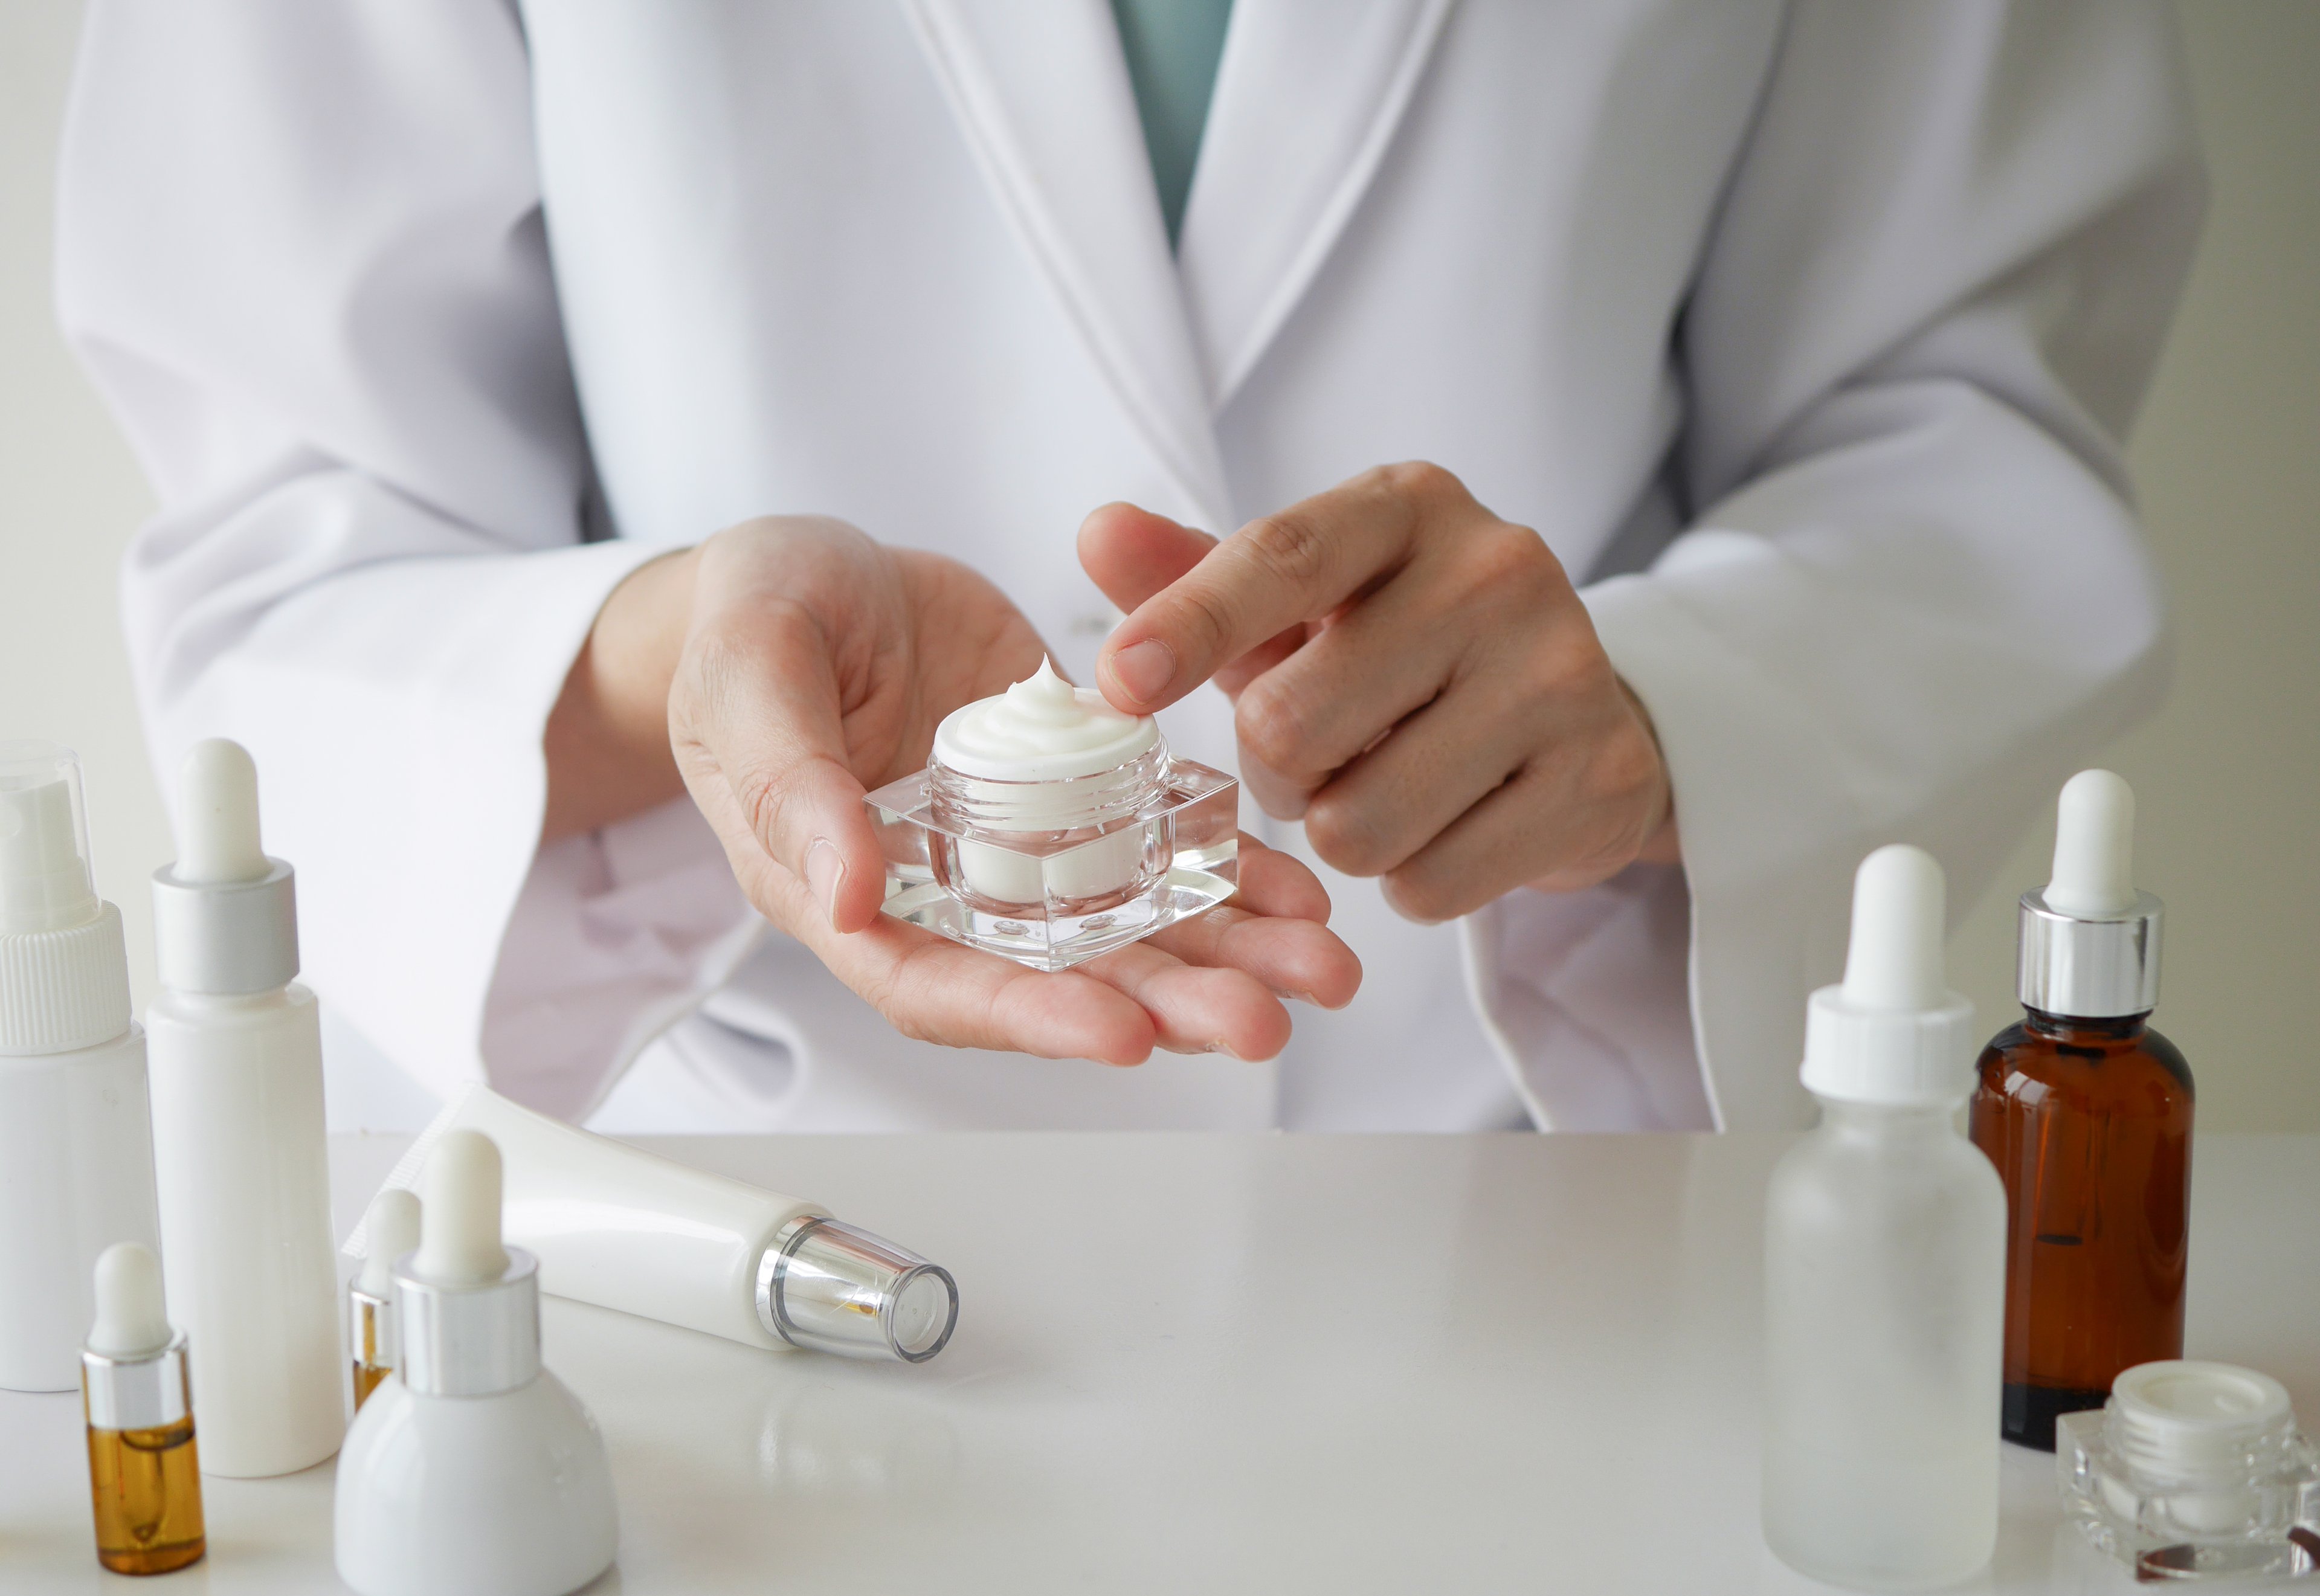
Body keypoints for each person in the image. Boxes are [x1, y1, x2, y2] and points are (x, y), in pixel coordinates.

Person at [57, 1, 2203, 1135]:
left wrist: (1663, 708)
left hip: (1512, 1178)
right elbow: (284, 560)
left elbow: (1971, 425)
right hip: (745, 1201)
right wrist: (672, 663)